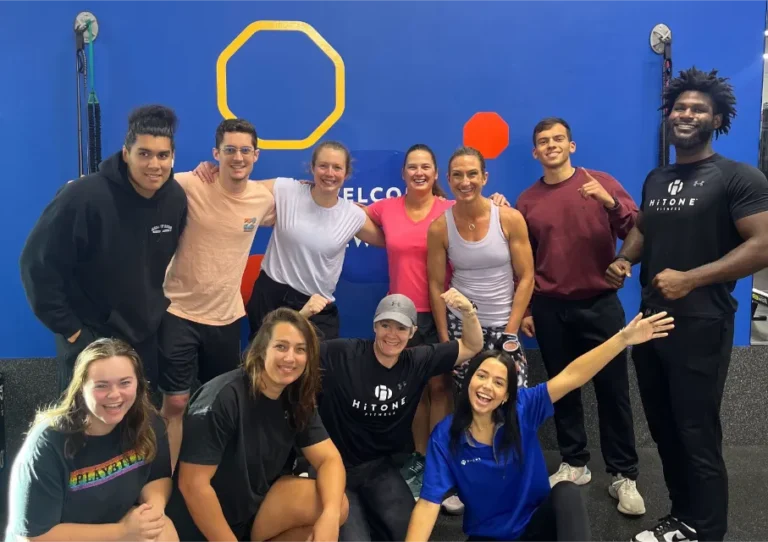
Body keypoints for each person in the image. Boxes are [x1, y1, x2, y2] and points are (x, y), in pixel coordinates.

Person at [606, 67, 768, 542]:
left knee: (697, 433)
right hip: (652, 323)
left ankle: (709, 530)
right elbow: (646, 227)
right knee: (665, 428)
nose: (686, 114)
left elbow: (762, 245)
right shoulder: (658, 177)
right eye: (680, 107)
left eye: (698, 108)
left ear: (716, 118)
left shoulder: (738, 177)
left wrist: (691, 279)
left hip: (701, 324)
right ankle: (682, 519)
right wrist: (624, 260)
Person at [404, 311, 674, 542]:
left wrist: (623, 339)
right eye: (481, 376)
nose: (487, 386)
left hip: (536, 530)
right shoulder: (446, 435)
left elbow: (572, 375)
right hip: (488, 536)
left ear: (508, 395)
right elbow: (428, 504)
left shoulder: (523, 408)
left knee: (566, 492)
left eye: (498, 382)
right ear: (468, 382)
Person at [361, 143, 509, 499]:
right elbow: (340, 213)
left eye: (425, 166)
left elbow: (489, 218)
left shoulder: (450, 209)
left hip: (444, 314)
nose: (419, 172)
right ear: (403, 174)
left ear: (435, 173)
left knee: (441, 389)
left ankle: (440, 463)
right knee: (411, 391)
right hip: (402, 317)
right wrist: (312, 191)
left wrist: (500, 203)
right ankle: (419, 463)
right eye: (412, 167)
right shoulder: (386, 208)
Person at [515, 117, 644, 515]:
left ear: (571, 145)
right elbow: (526, 261)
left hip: (600, 305)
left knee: (613, 392)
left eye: (558, 139)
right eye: (543, 141)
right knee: (562, 389)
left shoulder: (601, 182)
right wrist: (529, 309)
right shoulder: (527, 201)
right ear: (535, 152)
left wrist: (610, 203)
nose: (551, 145)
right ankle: (575, 464)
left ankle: (623, 475)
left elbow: (638, 228)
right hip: (551, 307)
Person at [19, 105, 188, 393]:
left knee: (137, 423)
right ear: (126, 153)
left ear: (172, 157)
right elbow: (36, 265)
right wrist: (72, 330)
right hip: (90, 338)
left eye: (163, 155)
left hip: (143, 338)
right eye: (144, 153)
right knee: (84, 427)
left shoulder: (174, 199)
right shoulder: (83, 197)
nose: (154, 164)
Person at [303, 287, 483, 542]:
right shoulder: (344, 354)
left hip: (378, 466)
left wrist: (468, 312)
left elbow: (473, 345)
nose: (392, 334)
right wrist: (303, 314)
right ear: (374, 326)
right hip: (334, 467)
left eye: (400, 328)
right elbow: (292, 348)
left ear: (412, 333)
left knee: (409, 531)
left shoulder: (417, 360)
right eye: (385, 325)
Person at [164, 307, 349, 542]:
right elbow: (193, 486)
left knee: (336, 504)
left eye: (300, 349)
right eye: (281, 346)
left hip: (255, 512)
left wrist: (330, 517)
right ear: (261, 349)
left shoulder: (296, 398)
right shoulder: (223, 397)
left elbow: (329, 459)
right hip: (204, 522)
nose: (290, 358)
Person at [159, 118, 276, 469]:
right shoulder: (188, 184)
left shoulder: (262, 198)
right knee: (176, 403)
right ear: (215, 154)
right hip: (177, 311)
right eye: (229, 150)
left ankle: (209, 478)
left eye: (244, 150)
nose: (237, 157)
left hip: (226, 318)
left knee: (217, 402)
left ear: (256, 155)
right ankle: (165, 481)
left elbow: (313, 198)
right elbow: (139, 184)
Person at [427, 146, 535, 514]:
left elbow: (527, 278)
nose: (465, 181)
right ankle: (465, 481)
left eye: (472, 174)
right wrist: (445, 338)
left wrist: (510, 331)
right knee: (467, 406)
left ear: (485, 177)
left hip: (503, 325)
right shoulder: (441, 227)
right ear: (448, 179)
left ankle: (514, 475)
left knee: (512, 403)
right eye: (457, 175)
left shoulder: (509, 219)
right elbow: (435, 284)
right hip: (463, 331)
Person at [194, 140, 384, 341]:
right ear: (312, 168)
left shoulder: (353, 215)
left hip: (316, 305)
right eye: (323, 166)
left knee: (317, 370)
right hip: (270, 297)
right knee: (263, 365)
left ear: (346, 174)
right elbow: (237, 189)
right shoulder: (286, 190)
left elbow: (393, 240)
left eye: (337, 167)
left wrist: (390, 209)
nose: (330, 173)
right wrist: (212, 171)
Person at [5, 337, 178, 542]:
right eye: (101, 386)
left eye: (125, 383)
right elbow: (34, 537)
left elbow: (158, 478)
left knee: (162, 528)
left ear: (138, 384)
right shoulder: (48, 444)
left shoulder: (147, 422)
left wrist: (152, 512)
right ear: (81, 388)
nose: (115, 395)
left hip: (115, 528)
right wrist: (122, 532)